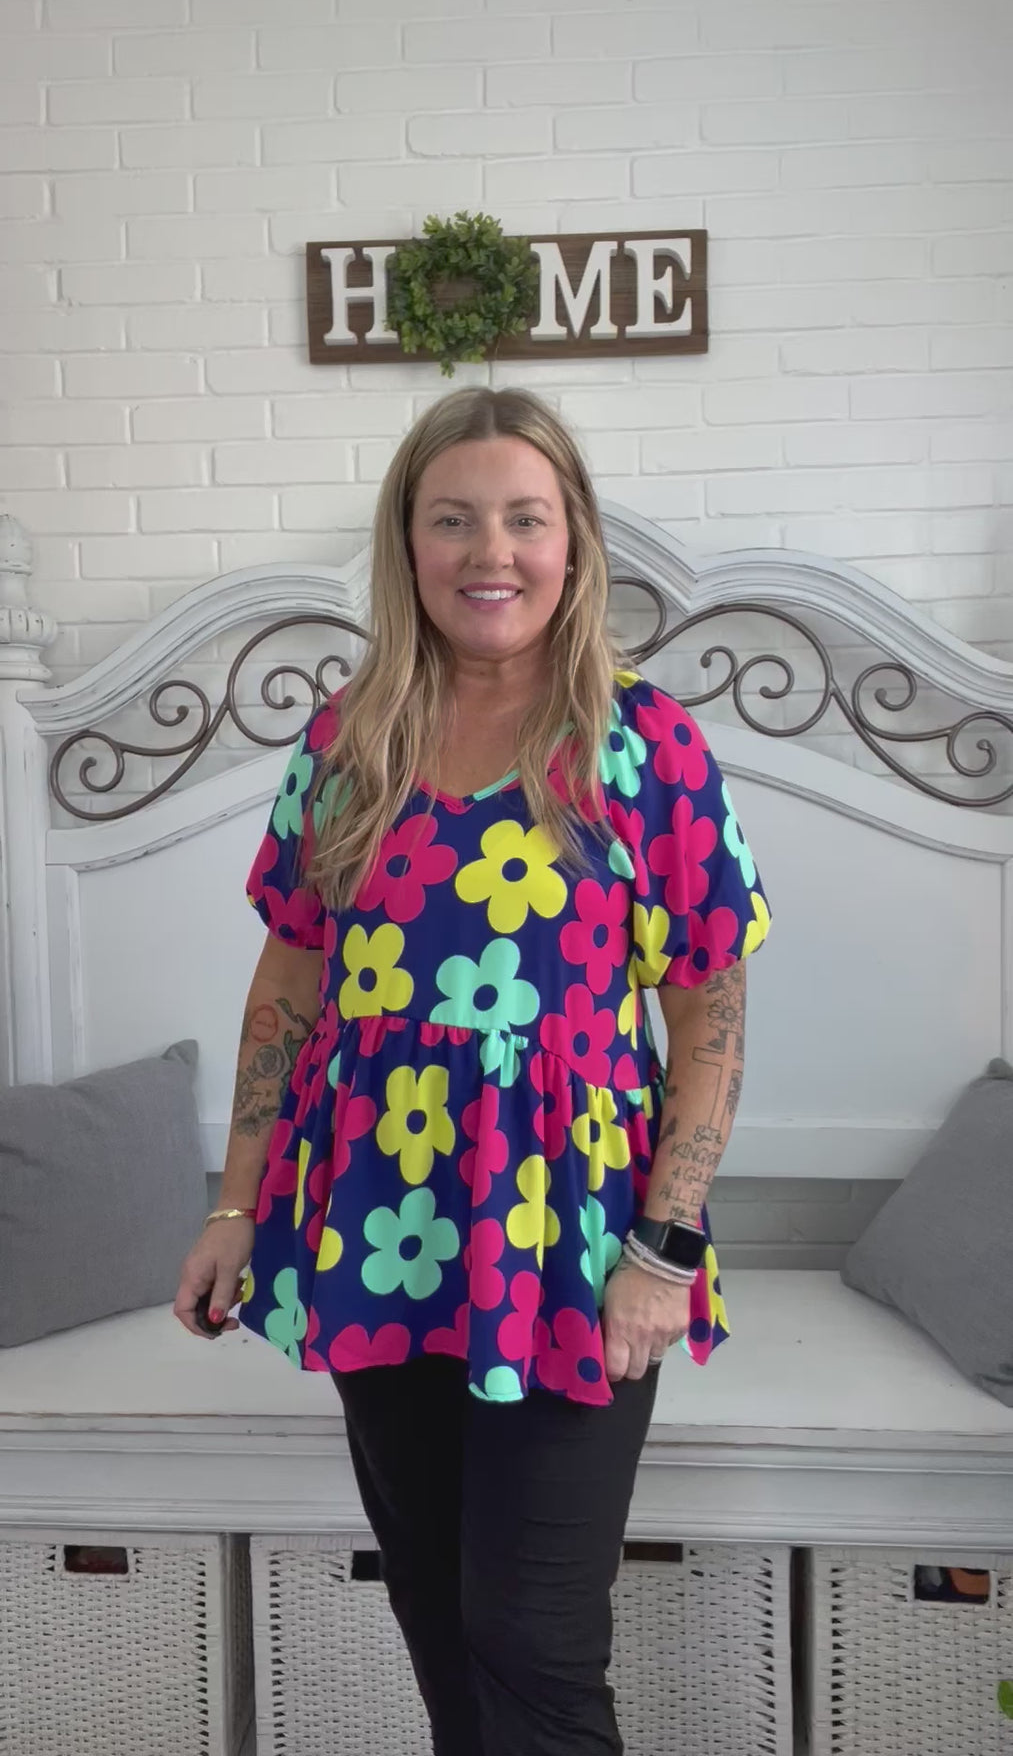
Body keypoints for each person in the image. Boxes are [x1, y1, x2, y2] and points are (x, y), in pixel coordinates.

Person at [175, 386, 771, 1756]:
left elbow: (711, 1015)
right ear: (407, 542)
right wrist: (234, 1207)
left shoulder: (644, 744)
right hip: (376, 1220)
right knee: (439, 1618)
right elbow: (290, 982)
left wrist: (665, 1250)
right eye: (451, 520)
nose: (488, 552)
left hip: (574, 1245)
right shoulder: (348, 738)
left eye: (522, 518)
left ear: (572, 541)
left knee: (535, 1641)